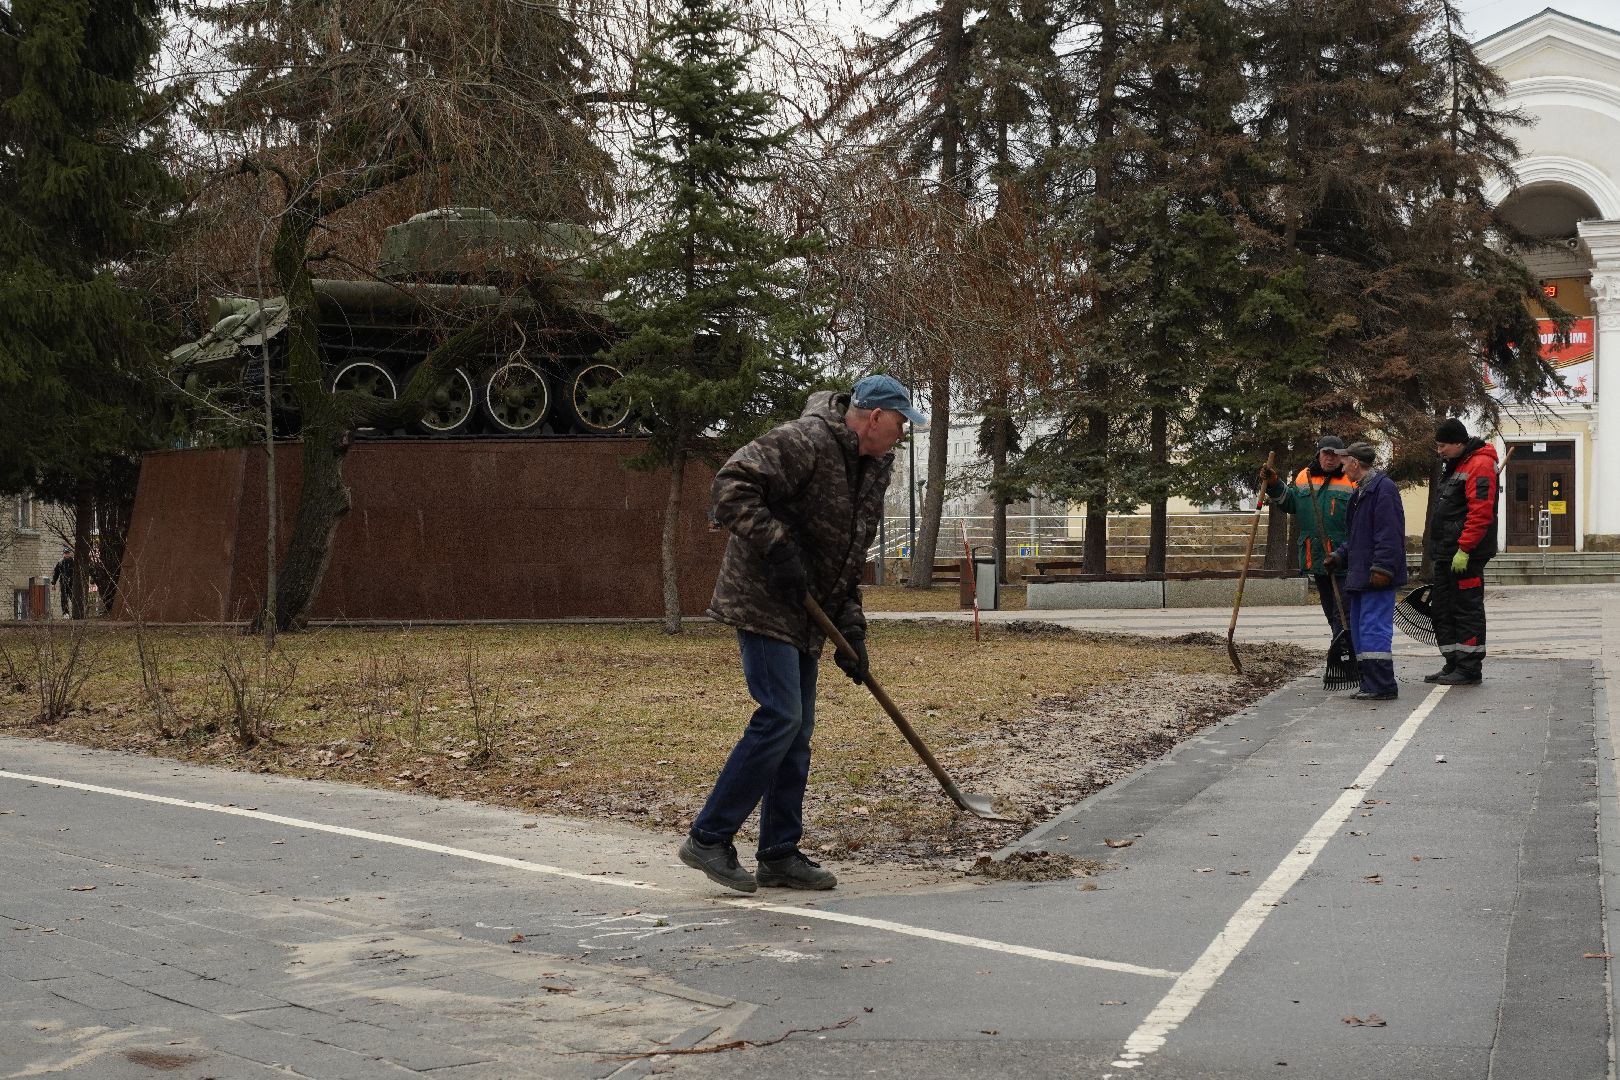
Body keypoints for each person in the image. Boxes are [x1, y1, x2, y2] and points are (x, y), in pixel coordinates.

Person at [679, 374, 925, 894]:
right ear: (875, 416)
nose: (904, 433)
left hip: (809, 613)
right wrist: (777, 549)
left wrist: (852, 631)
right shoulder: (803, 439)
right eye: (902, 422)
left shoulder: (875, 466)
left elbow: (850, 552)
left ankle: (779, 853)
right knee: (781, 716)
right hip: (764, 598)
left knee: (798, 731)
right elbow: (730, 486)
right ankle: (708, 836)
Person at [1324, 442, 1406, 700]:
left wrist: (1382, 568)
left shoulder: (1384, 490)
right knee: (1361, 630)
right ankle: (1370, 682)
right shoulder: (1361, 493)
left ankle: (1382, 685)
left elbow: (1389, 534)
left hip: (1375, 577)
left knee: (1374, 629)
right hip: (1360, 575)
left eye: (1344, 461)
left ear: (1355, 463)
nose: (1341, 465)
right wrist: (1340, 555)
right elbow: (1358, 537)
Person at [1424, 417, 1498, 686]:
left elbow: (1480, 512)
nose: (1439, 451)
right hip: (1447, 552)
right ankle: (1454, 662)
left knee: (1466, 609)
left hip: (1466, 554)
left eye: (1443, 445)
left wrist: (1465, 548)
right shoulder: (1457, 465)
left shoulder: (1479, 465)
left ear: (1458, 443)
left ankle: (1469, 668)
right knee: (1444, 609)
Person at [1261, 436, 1355, 638]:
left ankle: (1344, 653)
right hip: (1318, 557)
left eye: (1335, 455)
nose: (1330, 459)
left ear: (1342, 457)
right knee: (1330, 610)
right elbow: (1291, 503)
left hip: (1343, 559)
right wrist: (1274, 483)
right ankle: (1341, 648)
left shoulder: (1351, 478)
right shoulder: (1305, 476)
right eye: (1326, 454)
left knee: (1344, 612)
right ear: (1318, 454)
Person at [50, 549, 74, 617]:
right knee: (64, 597)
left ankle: (77, 612)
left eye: (68, 553)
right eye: (65, 553)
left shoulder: (73, 561)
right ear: (63, 554)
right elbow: (56, 573)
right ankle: (65, 613)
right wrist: (53, 583)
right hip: (63, 582)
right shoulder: (60, 562)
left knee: (73, 597)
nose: (67, 554)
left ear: (70, 554)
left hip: (72, 582)